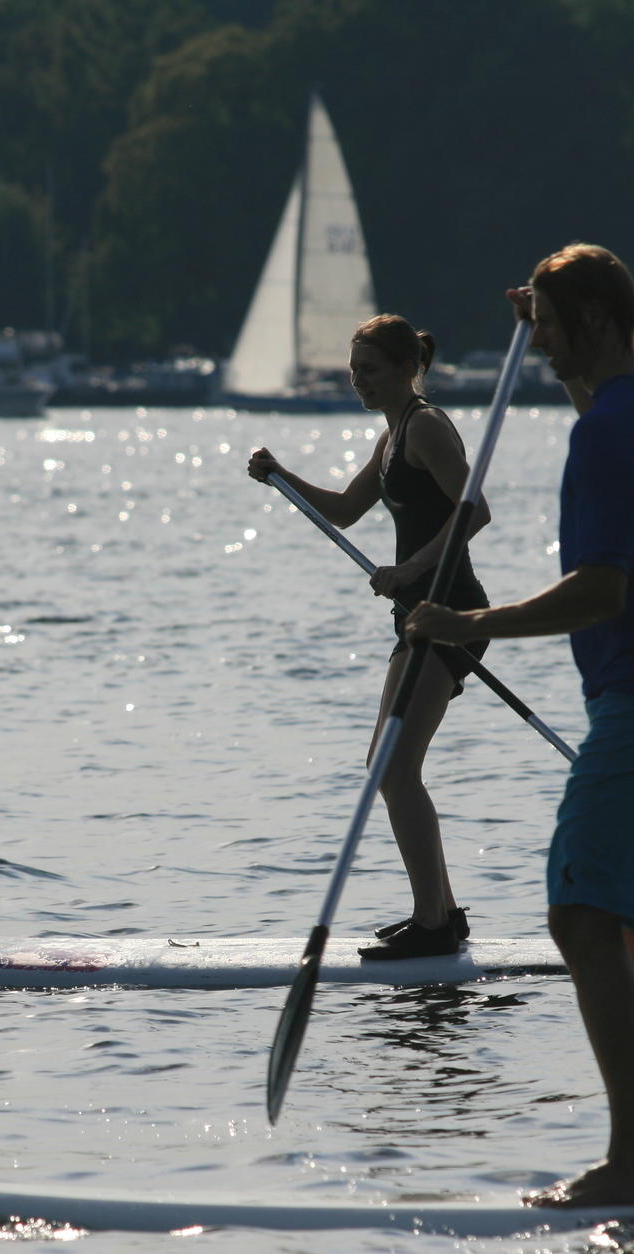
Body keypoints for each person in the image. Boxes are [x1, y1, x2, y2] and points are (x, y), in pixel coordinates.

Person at [405, 243, 634, 1207]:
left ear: (589, 319)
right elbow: (609, 384)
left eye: (548, 322)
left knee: (579, 915)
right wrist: (555, 300)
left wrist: (471, 621)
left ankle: (633, 1161)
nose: (534, 340)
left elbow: (603, 587)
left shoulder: (606, 432)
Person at [247, 314, 492, 961]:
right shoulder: (392, 438)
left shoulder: (429, 427)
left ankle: (434, 922)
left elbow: (477, 509)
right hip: (417, 615)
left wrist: (411, 569)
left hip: (451, 611)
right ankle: (444, 914)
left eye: (370, 370)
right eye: (354, 371)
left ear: (406, 367)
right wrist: (281, 477)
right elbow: (346, 510)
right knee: (389, 766)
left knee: (394, 767)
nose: (359, 382)